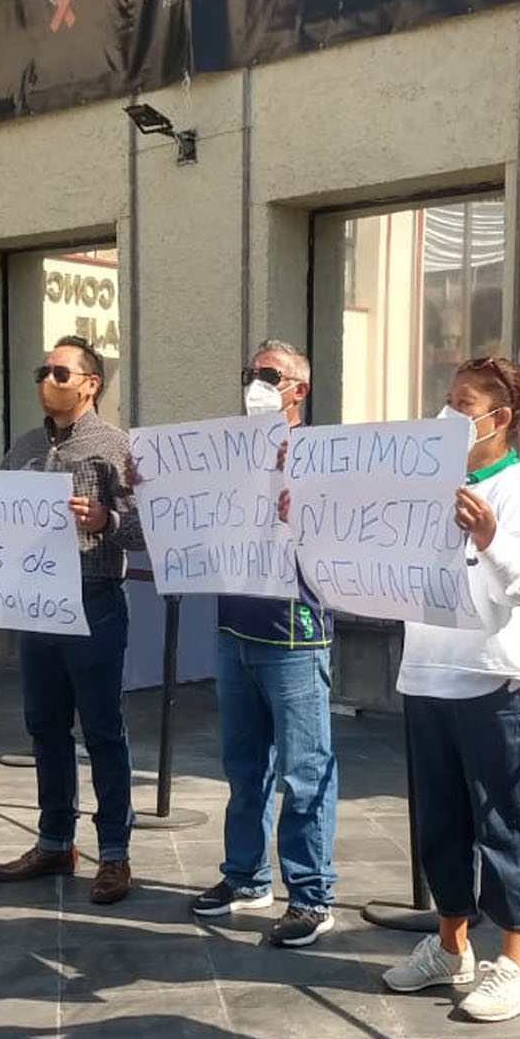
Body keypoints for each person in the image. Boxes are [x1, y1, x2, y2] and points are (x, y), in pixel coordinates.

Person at [382, 357, 520, 1021]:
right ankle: (451, 947)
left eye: (463, 403)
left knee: (502, 820)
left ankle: (517, 961)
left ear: (500, 417)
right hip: (429, 671)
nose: (447, 414)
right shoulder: (425, 483)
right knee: (441, 820)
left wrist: (487, 536)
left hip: (496, 677)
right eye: (446, 400)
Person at [188, 340, 340, 947]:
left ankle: (311, 896)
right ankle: (247, 877)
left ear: (298, 389)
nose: (255, 381)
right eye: (249, 371)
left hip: (296, 634)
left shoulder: (324, 455)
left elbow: (351, 533)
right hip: (234, 626)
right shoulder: (229, 454)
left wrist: (306, 510)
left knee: (305, 771)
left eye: (269, 374)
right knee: (243, 768)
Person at [0, 335, 143, 903]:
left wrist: (105, 520)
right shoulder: (26, 446)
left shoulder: (114, 447)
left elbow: (146, 529)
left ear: (89, 383)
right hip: (36, 605)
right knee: (44, 727)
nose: (45, 379)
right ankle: (55, 840)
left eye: (58, 371)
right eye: (42, 369)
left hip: (93, 600)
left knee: (102, 731)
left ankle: (114, 855)